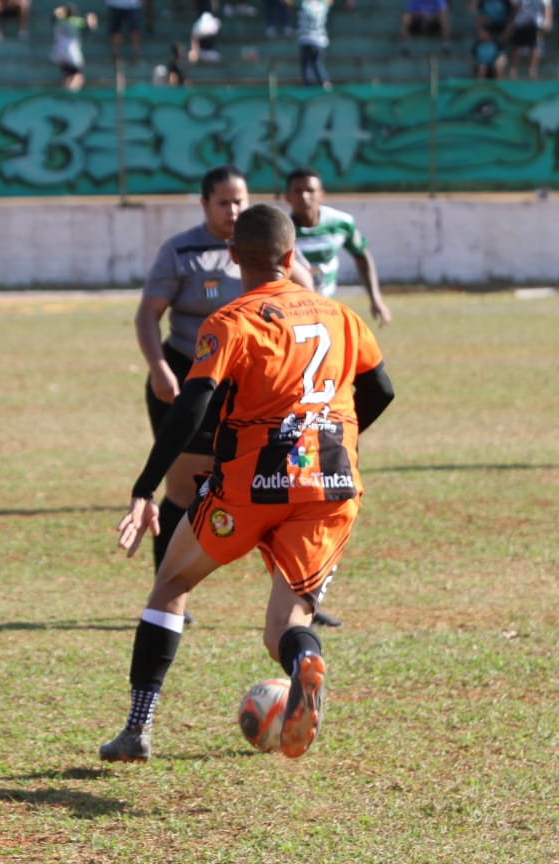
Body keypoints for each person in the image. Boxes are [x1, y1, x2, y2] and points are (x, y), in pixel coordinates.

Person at [99, 204, 395, 763]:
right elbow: (380, 389)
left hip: (251, 485)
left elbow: (191, 407)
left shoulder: (230, 321)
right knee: (283, 628)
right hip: (330, 485)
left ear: (235, 256)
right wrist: (333, 437)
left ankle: (137, 730)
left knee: (170, 587)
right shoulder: (342, 315)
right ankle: (303, 662)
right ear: (291, 256)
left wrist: (146, 487)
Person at [134, 165, 328, 627]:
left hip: (252, 385)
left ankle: (300, 599)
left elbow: (310, 295)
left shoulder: (266, 249)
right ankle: (169, 593)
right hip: (189, 376)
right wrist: (159, 367)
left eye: (239, 201)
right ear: (204, 205)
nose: (233, 209)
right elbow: (147, 315)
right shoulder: (181, 251)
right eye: (223, 202)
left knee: (281, 485)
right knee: (183, 488)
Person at [285, 167, 391, 324]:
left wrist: (376, 300)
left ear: (322, 194)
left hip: (327, 309)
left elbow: (361, 256)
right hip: (293, 311)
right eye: (298, 191)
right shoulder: (281, 231)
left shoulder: (341, 223)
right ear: (287, 197)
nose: (304, 196)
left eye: (310, 190)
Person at [50, 2, 95, 90]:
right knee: (79, 75)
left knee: (68, 75)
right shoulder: (76, 21)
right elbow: (88, 27)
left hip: (59, 52)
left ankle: (65, 93)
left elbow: (54, 15)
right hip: (71, 52)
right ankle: (72, 93)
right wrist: (91, 19)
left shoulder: (59, 21)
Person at [288, 0, 332, 87]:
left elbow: (289, 2)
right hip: (321, 41)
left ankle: (309, 88)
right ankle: (326, 84)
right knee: (318, 63)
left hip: (306, 39)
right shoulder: (322, 5)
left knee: (307, 66)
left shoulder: (303, 4)